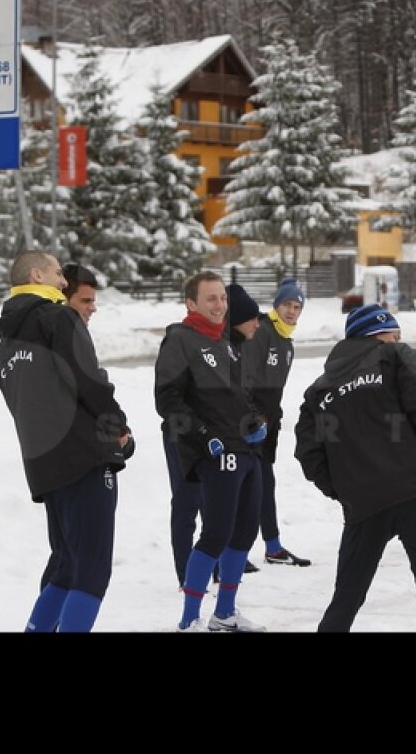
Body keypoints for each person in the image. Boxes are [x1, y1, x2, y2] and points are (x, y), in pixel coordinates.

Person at [0, 250, 133, 633]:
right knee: (91, 568)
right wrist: (119, 426)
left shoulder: (4, 348)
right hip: (85, 456)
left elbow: (21, 406)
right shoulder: (59, 317)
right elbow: (89, 382)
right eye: (56, 273)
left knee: (68, 564)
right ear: (37, 275)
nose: (64, 282)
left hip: (43, 465)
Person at [294, 304, 416, 632]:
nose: (398, 338)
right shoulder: (394, 356)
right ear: (377, 335)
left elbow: (310, 454)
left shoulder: (319, 391)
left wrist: (345, 489)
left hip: (364, 504)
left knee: (348, 595)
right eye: (393, 334)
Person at [155, 271, 269, 632]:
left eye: (222, 298)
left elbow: (237, 398)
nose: (220, 305)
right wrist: (205, 437)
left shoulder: (224, 341)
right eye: (211, 299)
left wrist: (254, 421)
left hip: (245, 451)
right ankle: (189, 619)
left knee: (244, 532)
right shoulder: (180, 339)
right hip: (215, 453)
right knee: (216, 533)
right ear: (192, 304)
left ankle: (226, 613)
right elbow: (168, 400)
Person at [244, 277, 311, 567]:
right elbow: (245, 378)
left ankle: (273, 547)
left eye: (297, 306)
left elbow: (275, 389)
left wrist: (274, 418)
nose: (291, 311)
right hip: (247, 423)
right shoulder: (262, 332)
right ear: (276, 305)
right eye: (287, 304)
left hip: (267, 425)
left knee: (265, 484)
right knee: (244, 488)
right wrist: (251, 417)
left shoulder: (287, 343)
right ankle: (231, 551)